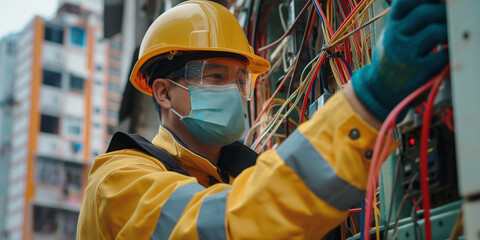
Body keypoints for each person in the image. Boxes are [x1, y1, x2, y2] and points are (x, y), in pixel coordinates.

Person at [77, 0, 448, 238]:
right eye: (216, 76)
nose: (235, 92)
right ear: (163, 91)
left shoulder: (237, 171)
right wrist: (367, 104)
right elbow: (228, 223)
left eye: (241, 80)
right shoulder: (117, 181)